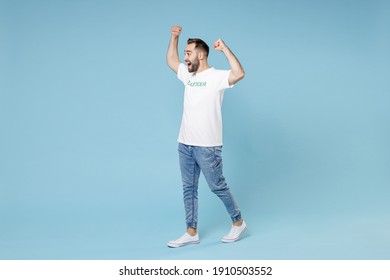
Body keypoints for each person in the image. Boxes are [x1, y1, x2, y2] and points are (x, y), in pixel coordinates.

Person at [166, 26, 246, 248]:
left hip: (208, 146)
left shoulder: (217, 77)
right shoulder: (188, 76)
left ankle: (238, 222)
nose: (185, 57)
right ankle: (191, 231)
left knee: (217, 185)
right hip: (185, 144)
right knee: (189, 188)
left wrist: (226, 50)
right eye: (185, 53)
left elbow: (239, 73)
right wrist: (174, 37)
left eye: (189, 53)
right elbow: (171, 61)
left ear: (201, 54)